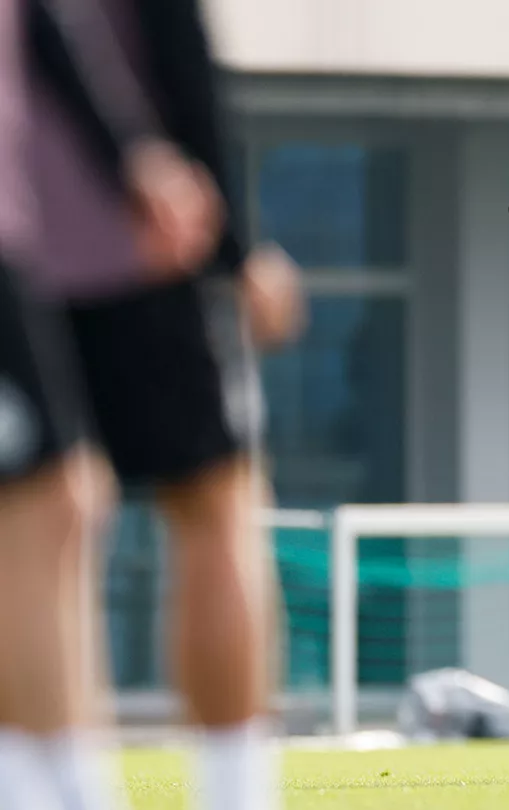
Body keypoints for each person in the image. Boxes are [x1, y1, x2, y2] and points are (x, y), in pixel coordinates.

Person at [0, 1, 303, 807]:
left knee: (47, 510)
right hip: (122, 245)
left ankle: (57, 781)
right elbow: (167, 48)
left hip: (64, 233)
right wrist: (230, 245)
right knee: (197, 500)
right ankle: (222, 789)